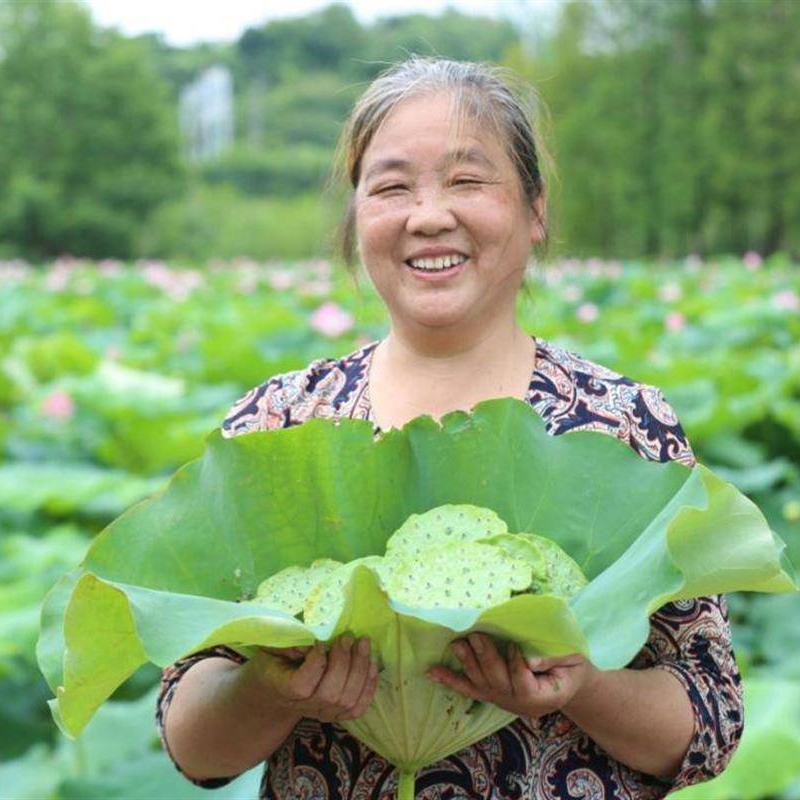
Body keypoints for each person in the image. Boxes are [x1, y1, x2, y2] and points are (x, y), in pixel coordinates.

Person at [157, 56, 742, 799]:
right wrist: (272, 693)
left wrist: (582, 685)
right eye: (393, 186)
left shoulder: (619, 426)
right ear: (356, 217)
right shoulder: (278, 426)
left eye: (467, 181)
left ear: (535, 211)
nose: (428, 215)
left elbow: (711, 723)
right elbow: (192, 746)